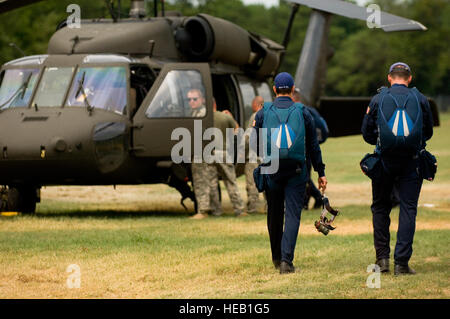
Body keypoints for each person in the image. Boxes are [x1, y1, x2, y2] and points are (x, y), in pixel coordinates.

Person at [361, 62, 434, 275]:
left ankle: (382, 259)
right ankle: (401, 263)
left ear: (389, 78)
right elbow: (428, 131)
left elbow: (366, 134)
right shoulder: (420, 99)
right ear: (409, 78)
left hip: (383, 161)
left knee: (381, 207)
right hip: (412, 162)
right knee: (408, 208)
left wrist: (383, 141)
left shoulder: (377, 99)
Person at [253, 72, 327, 274]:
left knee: (274, 214)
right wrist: (320, 172)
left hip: (272, 169)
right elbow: (313, 146)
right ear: (293, 90)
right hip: (296, 171)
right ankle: (287, 261)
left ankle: (276, 257)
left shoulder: (263, 112)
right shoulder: (303, 112)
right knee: (293, 214)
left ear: (275, 90)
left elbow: (254, 143)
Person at [190, 99, 246, 219]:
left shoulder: (202, 118)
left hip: (208, 153)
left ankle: (215, 211)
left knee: (211, 183)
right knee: (230, 181)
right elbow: (237, 130)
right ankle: (240, 210)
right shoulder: (224, 117)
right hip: (223, 153)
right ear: (216, 105)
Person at [292, 88, 328, 210]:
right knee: (306, 177)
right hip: (308, 151)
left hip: (302, 152)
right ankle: (308, 201)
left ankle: (314, 199)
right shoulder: (308, 111)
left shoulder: (298, 112)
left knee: (305, 177)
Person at [245, 96, 264, 214]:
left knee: (252, 182)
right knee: (268, 182)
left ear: (255, 105)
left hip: (253, 155)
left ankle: (252, 208)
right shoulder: (270, 116)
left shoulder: (255, 116)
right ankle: (269, 206)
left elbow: (249, 136)